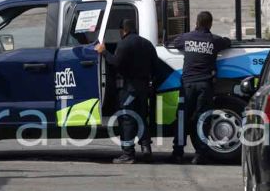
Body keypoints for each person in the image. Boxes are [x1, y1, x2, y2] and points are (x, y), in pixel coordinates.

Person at [169, 11, 230, 165]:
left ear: (196, 23)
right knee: (202, 119)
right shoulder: (214, 40)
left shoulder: (186, 38)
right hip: (205, 85)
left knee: (182, 118)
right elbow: (227, 42)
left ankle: (178, 153)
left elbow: (176, 42)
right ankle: (200, 154)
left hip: (187, 85)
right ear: (210, 24)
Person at [95, 19, 156, 164]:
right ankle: (146, 148)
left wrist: (104, 52)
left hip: (129, 89)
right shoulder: (147, 44)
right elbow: (155, 66)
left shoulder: (124, 43)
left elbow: (116, 63)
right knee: (141, 117)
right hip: (143, 88)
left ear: (123, 30)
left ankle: (128, 154)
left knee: (127, 119)